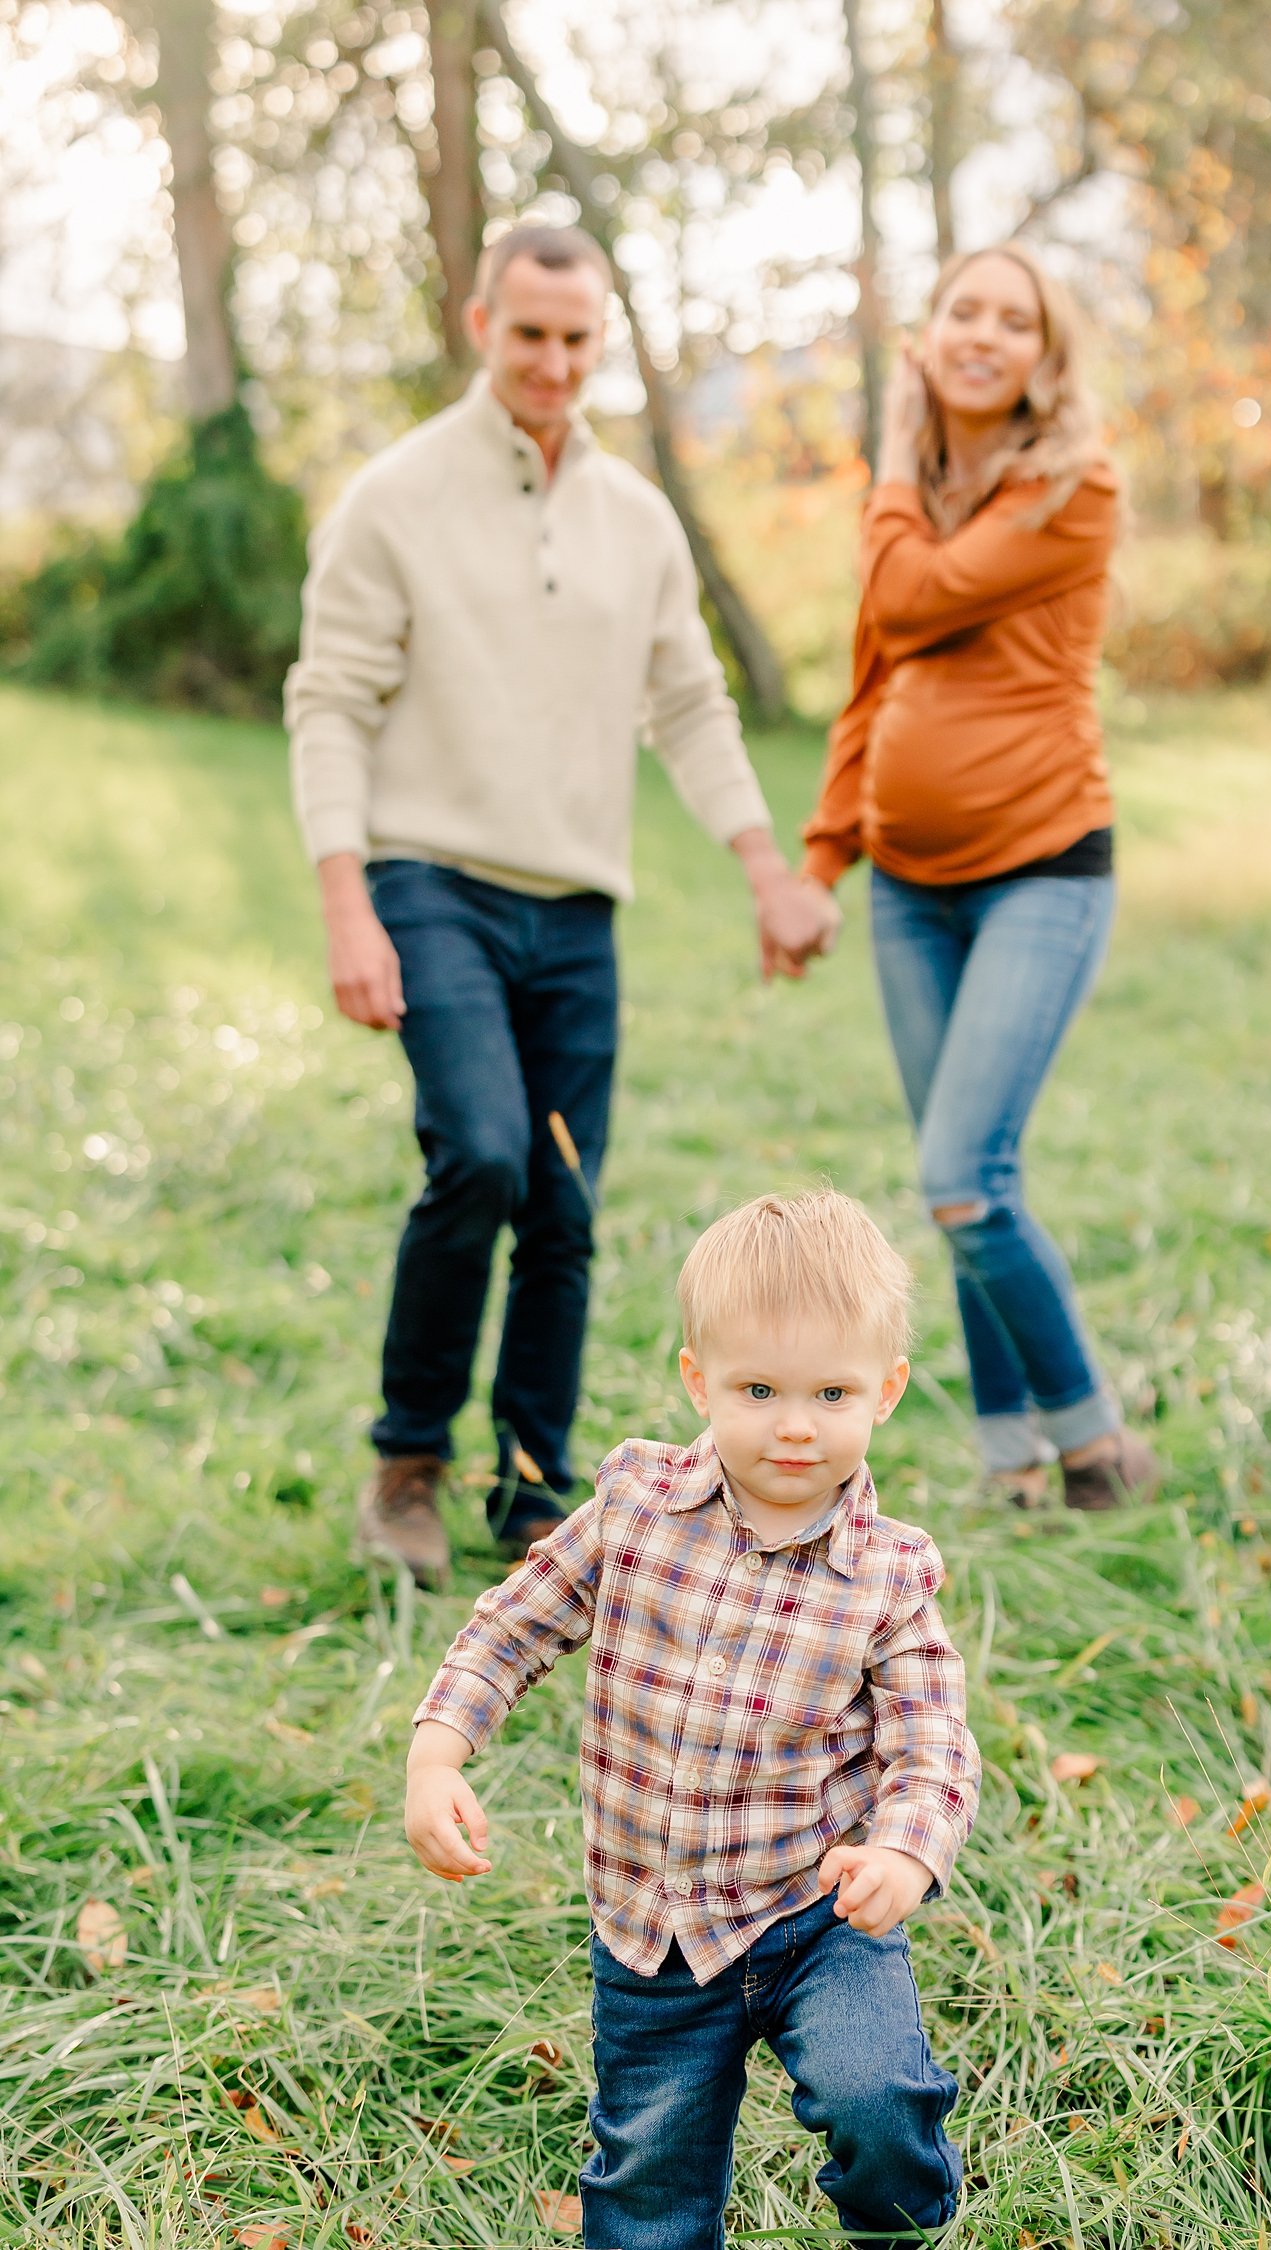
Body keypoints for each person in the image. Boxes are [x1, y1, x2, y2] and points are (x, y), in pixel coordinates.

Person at [285, 221, 839, 1589]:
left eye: (577, 338)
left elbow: (693, 703)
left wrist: (767, 867)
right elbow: (329, 701)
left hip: (576, 903)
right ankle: (405, 1461)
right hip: (429, 880)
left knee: (567, 1203)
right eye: (528, 332)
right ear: (482, 321)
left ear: (601, 340)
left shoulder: (636, 517)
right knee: (480, 1151)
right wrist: (348, 904)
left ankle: (534, 1491)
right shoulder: (396, 494)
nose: (552, 360)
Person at [405, 1189, 979, 2250]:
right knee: (647, 2185)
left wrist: (902, 1851)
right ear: (696, 1379)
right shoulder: (634, 1507)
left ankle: (899, 2225)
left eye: (832, 1391)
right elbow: (512, 1626)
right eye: (758, 1389)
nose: (795, 1424)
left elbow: (935, 1746)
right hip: (651, 1927)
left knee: (877, 2101)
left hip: (818, 1916)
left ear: (887, 1391)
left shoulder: (890, 1575)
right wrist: (439, 1750)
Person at [802, 242, 1160, 1512]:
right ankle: (1009, 1457)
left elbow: (910, 598)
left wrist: (894, 460)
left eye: (1017, 321)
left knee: (962, 1174)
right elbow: (871, 673)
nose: (986, 334)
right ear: (930, 334)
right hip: (908, 884)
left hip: (1043, 871)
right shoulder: (911, 500)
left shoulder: (1076, 485)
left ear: (1044, 359)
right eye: (965, 310)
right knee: (964, 1185)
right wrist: (823, 855)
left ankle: (1095, 1442)